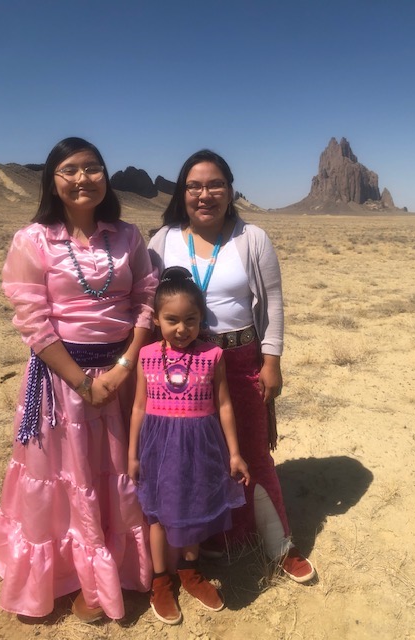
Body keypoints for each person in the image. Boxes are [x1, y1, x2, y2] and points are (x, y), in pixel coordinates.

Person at [0, 137, 158, 622]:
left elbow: (145, 300)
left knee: (114, 471)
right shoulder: (32, 240)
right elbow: (33, 321)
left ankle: (115, 571)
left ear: (106, 177)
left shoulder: (128, 236)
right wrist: (84, 384)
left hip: (123, 376)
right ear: (52, 180)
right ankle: (68, 573)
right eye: (70, 170)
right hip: (62, 382)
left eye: (93, 168)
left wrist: (123, 369)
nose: (83, 178)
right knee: (67, 477)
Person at [148, 149, 316, 584]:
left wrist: (272, 360)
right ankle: (212, 539)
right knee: (199, 456)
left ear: (230, 189)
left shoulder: (251, 237)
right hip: (184, 364)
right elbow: (146, 307)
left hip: (242, 358)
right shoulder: (161, 240)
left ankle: (280, 545)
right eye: (195, 186)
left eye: (215, 184)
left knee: (254, 451)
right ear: (182, 192)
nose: (205, 194)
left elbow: (273, 303)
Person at [128, 266, 250, 625]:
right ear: (157, 320)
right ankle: (161, 581)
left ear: (201, 319)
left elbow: (224, 405)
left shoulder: (212, 355)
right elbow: (137, 407)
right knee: (159, 514)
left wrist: (235, 452)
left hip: (201, 448)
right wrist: (133, 454)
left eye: (191, 320)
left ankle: (190, 570)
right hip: (158, 448)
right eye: (172, 320)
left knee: (196, 507)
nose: (182, 329)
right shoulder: (147, 355)